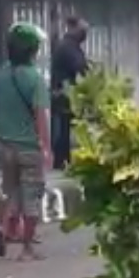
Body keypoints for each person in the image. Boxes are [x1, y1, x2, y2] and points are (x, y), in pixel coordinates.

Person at [0, 22, 53, 261]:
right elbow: (40, 116)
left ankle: (4, 229)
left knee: (12, 192)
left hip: (5, 145)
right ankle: (27, 249)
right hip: (29, 147)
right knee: (32, 196)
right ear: (33, 50)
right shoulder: (35, 79)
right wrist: (46, 148)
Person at [50, 15, 89, 170]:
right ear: (73, 28)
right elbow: (81, 67)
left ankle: (63, 160)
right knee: (63, 129)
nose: (84, 34)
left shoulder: (70, 45)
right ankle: (61, 161)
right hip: (63, 94)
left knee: (65, 128)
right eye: (83, 30)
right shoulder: (68, 47)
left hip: (66, 93)